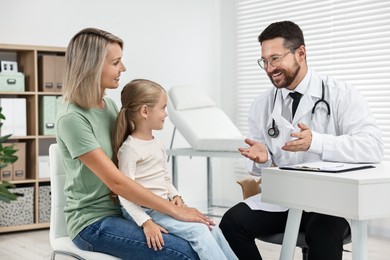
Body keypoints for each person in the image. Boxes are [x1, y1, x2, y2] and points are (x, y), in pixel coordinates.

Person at [219, 21, 384, 260]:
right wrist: (264, 159)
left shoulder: (341, 94)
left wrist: (316, 142)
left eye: (275, 59)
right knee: (231, 223)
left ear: (301, 53)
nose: (269, 68)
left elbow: (373, 147)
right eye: (264, 61)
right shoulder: (261, 105)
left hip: (331, 203)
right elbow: (260, 166)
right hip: (285, 199)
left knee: (324, 231)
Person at [56, 27, 214, 260]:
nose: (123, 69)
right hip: (93, 223)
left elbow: (137, 158)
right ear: (91, 65)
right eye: (116, 62)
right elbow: (118, 182)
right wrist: (174, 212)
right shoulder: (72, 118)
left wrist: (170, 201)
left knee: (202, 237)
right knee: (183, 252)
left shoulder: (108, 107)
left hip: (126, 211)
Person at [111, 79, 238, 260]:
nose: (166, 114)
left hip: (162, 206)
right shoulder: (130, 149)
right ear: (145, 111)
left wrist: (176, 196)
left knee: (210, 226)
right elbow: (125, 194)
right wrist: (145, 222)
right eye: (163, 108)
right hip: (144, 211)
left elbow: (164, 179)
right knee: (199, 232)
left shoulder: (157, 144)